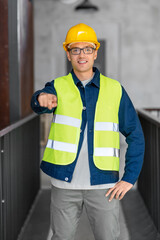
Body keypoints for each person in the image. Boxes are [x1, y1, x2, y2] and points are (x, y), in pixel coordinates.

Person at [31, 23, 145, 240]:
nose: (81, 54)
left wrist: (129, 178)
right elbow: (40, 101)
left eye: (87, 49)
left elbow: (135, 134)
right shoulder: (57, 86)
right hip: (64, 184)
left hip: (103, 186)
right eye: (75, 49)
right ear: (68, 54)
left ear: (95, 53)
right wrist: (40, 98)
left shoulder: (115, 90)